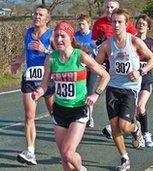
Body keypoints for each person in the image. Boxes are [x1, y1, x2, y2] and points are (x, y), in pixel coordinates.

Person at [32, 21, 110, 171]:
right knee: (65, 158)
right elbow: (44, 85)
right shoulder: (51, 59)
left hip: (78, 110)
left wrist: (95, 94)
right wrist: (38, 92)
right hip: (59, 110)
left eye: (63, 36)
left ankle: (81, 169)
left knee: (68, 153)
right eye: (56, 36)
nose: (59, 39)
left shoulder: (80, 56)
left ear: (71, 38)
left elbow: (105, 75)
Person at [95, 8, 153, 170]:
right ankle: (124, 158)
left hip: (130, 89)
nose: (116, 25)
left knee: (124, 125)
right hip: (113, 88)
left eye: (120, 22)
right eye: (114, 21)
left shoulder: (134, 41)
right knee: (114, 126)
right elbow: (96, 65)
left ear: (126, 23)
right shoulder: (107, 45)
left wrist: (140, 72)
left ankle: (136, 128)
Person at [10, 5, 55, 165]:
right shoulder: (28, 32)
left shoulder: (52, 35)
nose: (37, 16)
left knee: (55, 115)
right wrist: (18, 61)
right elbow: (26, 50)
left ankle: (67, 142)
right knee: (29, 116)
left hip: (47, 79)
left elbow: (60, 55)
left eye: (41, 14)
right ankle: (30, 152)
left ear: (47, 19)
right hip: (29, 78)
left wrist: (45, 50)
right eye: (35, 13)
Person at [91, 0, 137, 139]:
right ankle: (116, 127)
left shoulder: (124, 23)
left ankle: (130, 124)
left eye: (112, 7)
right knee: (115, 108)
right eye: (107, 7)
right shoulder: (99, 23)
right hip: (109, 68)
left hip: (130, 75)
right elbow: (93, 42)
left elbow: (134, 42)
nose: (109, 9)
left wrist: (138, 69)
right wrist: (99, 46)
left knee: (128, 110)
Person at [134, 14, 153, 147]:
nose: (141, 25)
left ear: (148, 27)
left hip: (146, 79)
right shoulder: (130, 41)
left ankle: (146, 133)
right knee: (134, 110)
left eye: (144, 24)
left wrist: (145, 65)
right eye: (139, 23)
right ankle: (137, 132)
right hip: (132, 81)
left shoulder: (152, 43)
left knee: (140, 106)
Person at [75, 14, 98, 128]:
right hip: (80, 68)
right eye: (80, 24)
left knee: (89, 93)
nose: (81, 26)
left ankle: (90, 116)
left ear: (89, 24)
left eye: (83, 24)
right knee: (80, 93)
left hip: (92, 69)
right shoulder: (75, 36)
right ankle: (80, 115)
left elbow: (98, 51)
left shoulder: (94, 36)